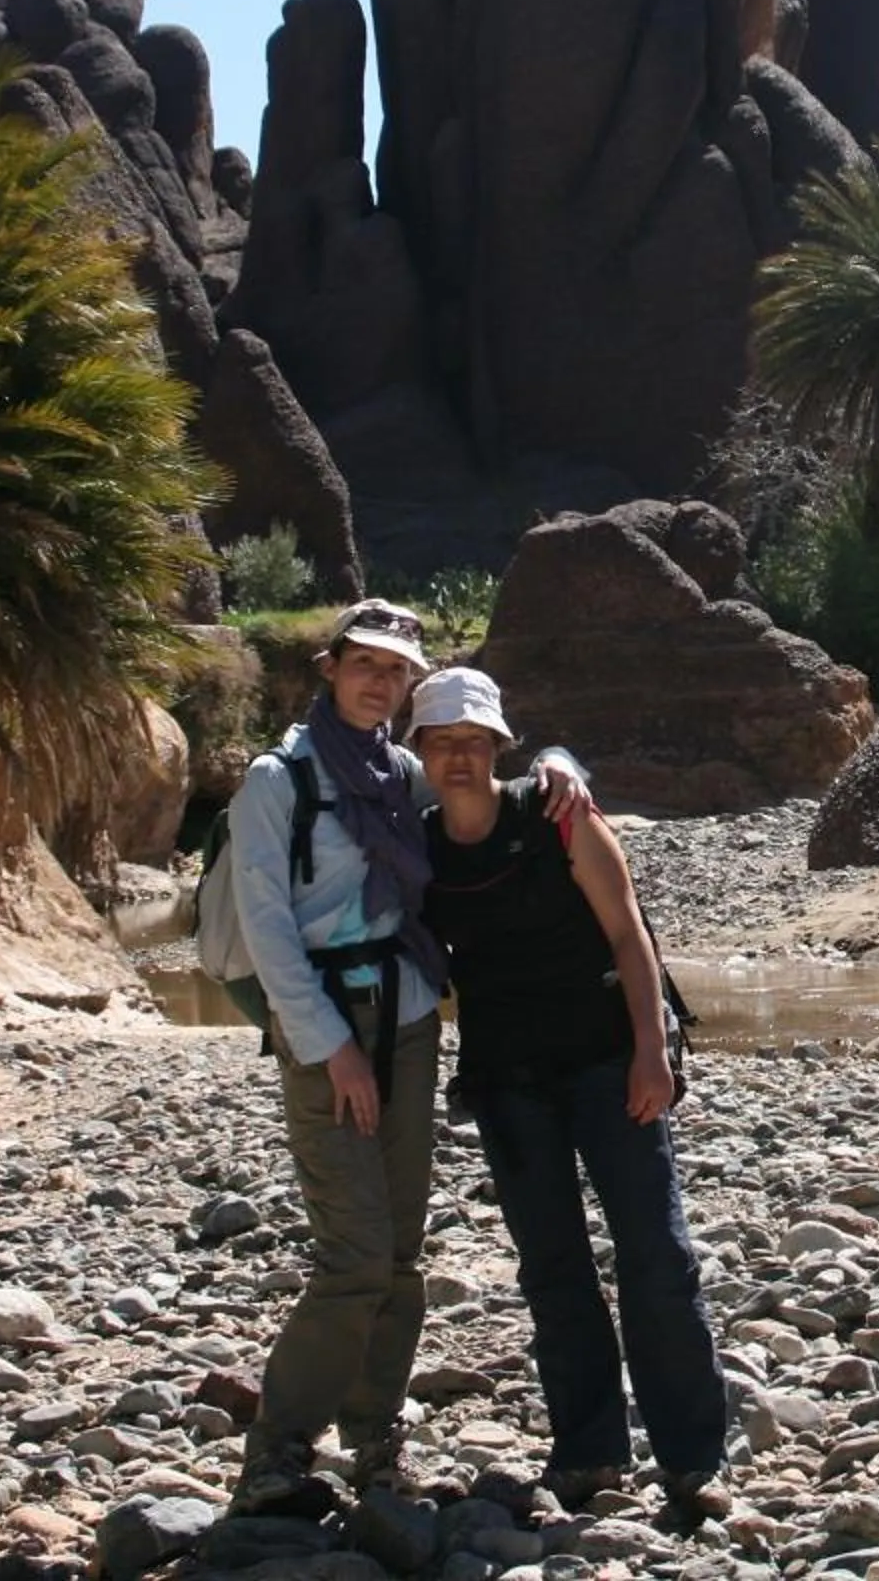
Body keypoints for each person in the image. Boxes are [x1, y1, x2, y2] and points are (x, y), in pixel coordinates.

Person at [225, 602, 590, 1518]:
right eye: (366, 666)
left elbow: (490, 791)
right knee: (352, 1256)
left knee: (398, 1253)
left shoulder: (399, 775)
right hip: (328, 1026)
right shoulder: (280, 781)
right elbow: (268, 930)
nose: (380, 684)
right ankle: (277, 1449)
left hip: (411, 1018)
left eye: (396, 674)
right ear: (330, 667)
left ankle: (373, 1435)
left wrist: (561, 764)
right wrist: (330, 1048)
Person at [408, 666, 733, 1529]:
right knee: (554, 1271)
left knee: (656, 1256)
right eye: (442, 744)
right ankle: (589, 1450)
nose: (460, 758)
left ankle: (693, 1457)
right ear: (421, 754)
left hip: (606, 1064)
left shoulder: (559, 816)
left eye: (474, 742)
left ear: (498, 747)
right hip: (510, 1084)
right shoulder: (420, 850)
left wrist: (653, 1055)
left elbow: (630, 938)